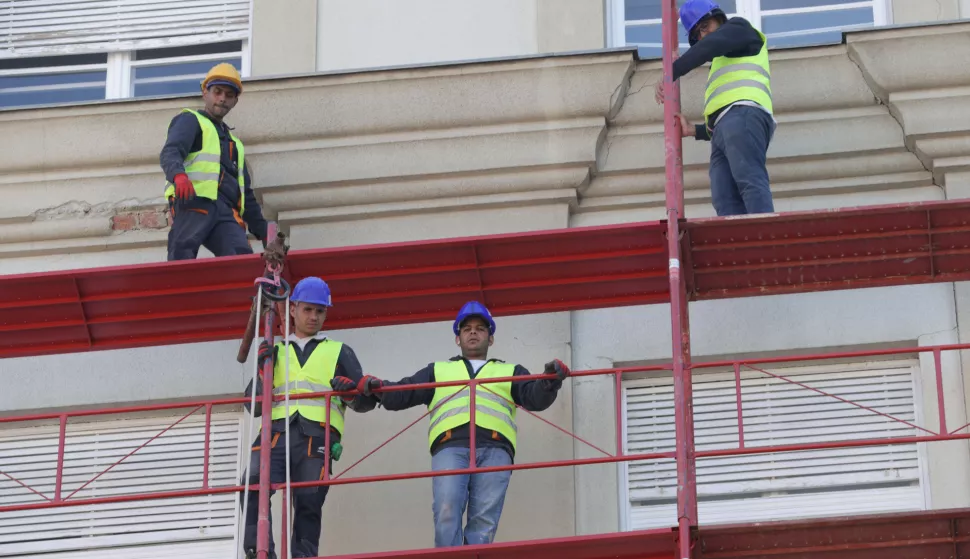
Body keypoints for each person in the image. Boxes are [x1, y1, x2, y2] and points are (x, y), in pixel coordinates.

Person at [335, 301, 571, 548]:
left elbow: (534, 397)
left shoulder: (511, 371)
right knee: (446, 513)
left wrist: (549, 382)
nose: (472, 332)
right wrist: (377, 387)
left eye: (480, 328)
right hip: (450, 447)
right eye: (466, 328)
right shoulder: (438, 370)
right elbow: (404, 393)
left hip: (496, 449)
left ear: (490, 339)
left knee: (484, 523)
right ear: (457, 338)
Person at [241, 276, 376, 559]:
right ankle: (259, 550)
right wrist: (264, 368)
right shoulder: (275, 351)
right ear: (292, 309)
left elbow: (365, 402)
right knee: (252, 483)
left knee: (309, 500)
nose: (314, 317)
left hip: (317, 436)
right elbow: (251, 404)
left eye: (320, 311)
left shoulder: (339, 351)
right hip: (276, 432)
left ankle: (304, 556)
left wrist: (350, 392)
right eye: (308, 310)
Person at [655, 0, 776, 217]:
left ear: (719, 19)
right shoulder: (722, 62)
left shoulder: (739, 29)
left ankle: (764, 237)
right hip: (725, 128)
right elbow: (723, 108)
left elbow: (712, 44)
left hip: (744, 114)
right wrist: (697, 131)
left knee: (749, 180)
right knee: (724, 198)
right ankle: (737, 248)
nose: (703, 36)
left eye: (705, 26)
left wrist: (671, 72)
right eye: (697, 35)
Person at [159, 62, 270, 260]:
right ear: (205, 92)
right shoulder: (191, 120)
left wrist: (264, 231)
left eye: (229, 95)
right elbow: (171, 151)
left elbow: (246, 196)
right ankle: (178, 288)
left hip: (226, 212)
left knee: (240, 258)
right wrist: (179, 176)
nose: (222, 99)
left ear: (235, 101)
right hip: (194, 200)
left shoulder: (235, 145)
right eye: (217, 92)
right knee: (182, 250)